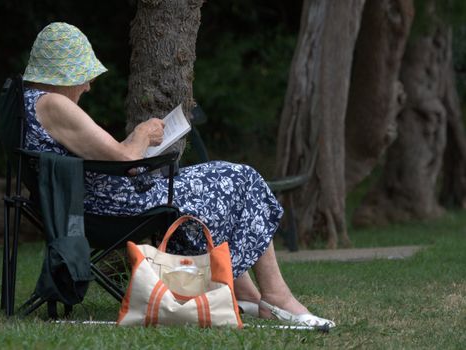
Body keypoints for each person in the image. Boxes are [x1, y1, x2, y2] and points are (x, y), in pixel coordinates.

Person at [22, 22, 335, 328]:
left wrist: (134, 145)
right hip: (112, 206)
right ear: (64, 75)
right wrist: (143, 133)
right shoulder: (54, 104)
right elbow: (124, 158)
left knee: (230, 180)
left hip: (92, 200)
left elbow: (113, 157)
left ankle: (246, 291)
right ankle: (275, 295)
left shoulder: (30, 103)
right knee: (243, 179)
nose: (88, 86)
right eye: (83, 76)